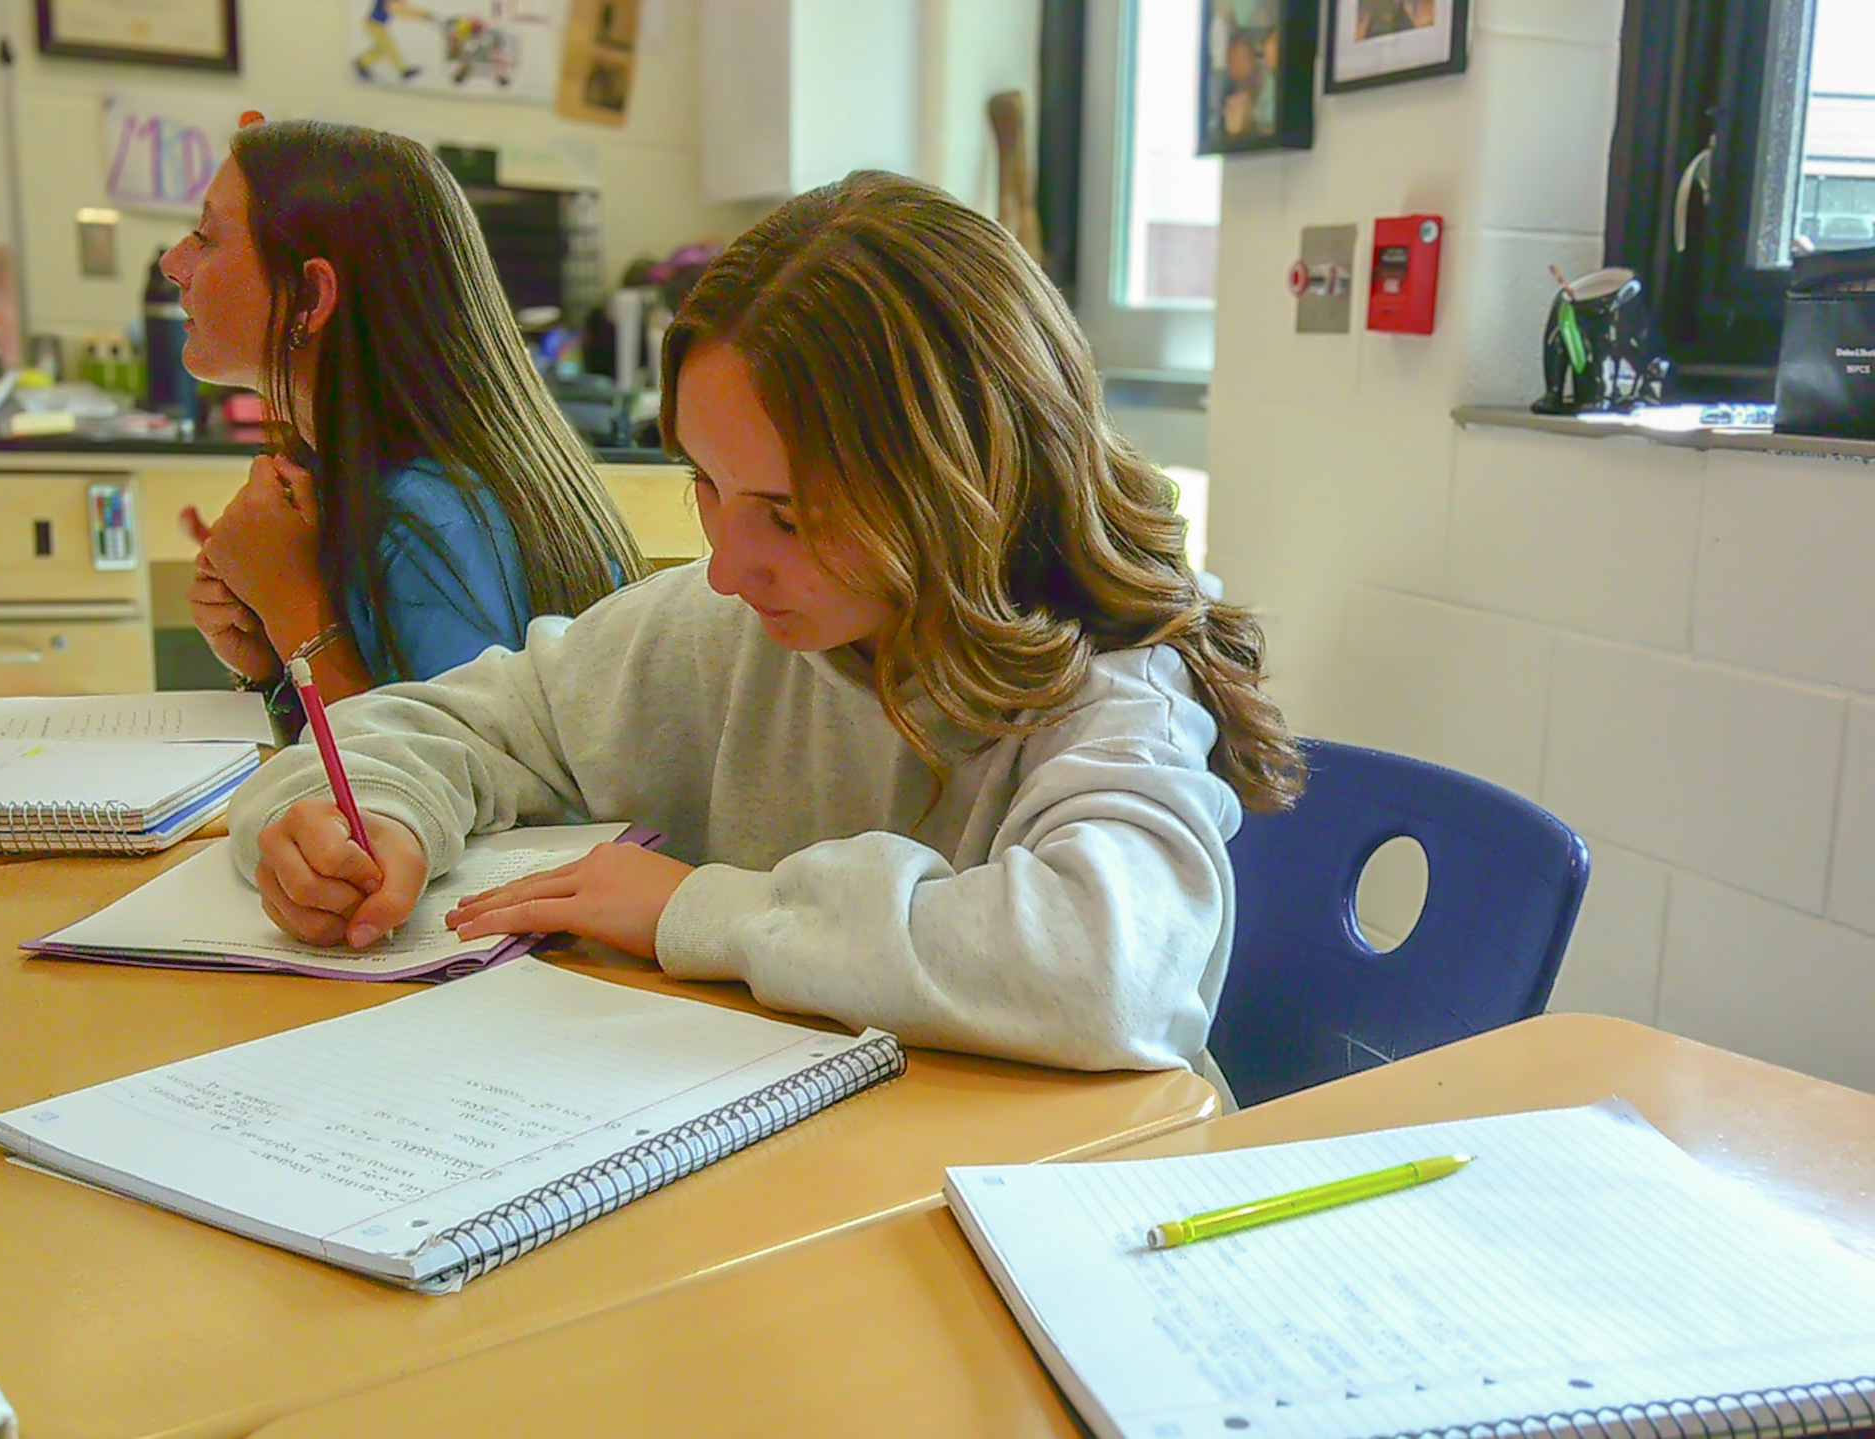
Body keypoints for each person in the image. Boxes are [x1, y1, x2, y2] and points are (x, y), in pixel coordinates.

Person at [226, 170, 1304, 1078]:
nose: (730, 567)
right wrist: (363, 814)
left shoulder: (1119, 687)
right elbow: (463, 724)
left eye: (791, 513)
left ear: (960, 485)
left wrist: (699, 911)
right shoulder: (732, 624)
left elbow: (1104, 971)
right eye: (707, 482)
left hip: (1048, 1217)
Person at [160, 119, 646, 724]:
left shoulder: (432, 521)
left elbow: (439, 788)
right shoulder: (380, 488)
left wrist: (293, 609)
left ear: (310, 297)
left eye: (207, 237)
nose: (173, 263)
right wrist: (271, 660)